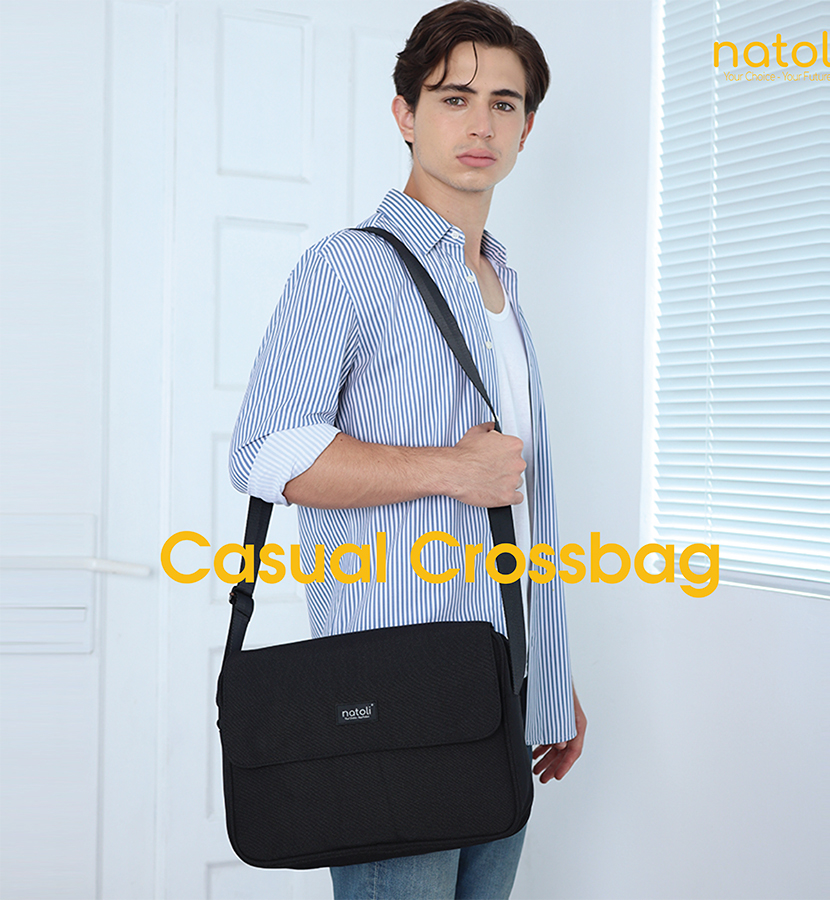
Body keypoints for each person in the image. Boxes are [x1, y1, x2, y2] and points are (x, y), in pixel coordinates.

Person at [229, 1, 587, 896]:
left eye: (504, 104)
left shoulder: (501, 284)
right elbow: (267, 452)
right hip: (394, 704)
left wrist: (550, 675)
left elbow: (521, 511)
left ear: (528, 128)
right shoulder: (346, 268)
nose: (481, 124)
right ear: (405, 114)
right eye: (454, 98)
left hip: (503, 694)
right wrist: (451, 469)